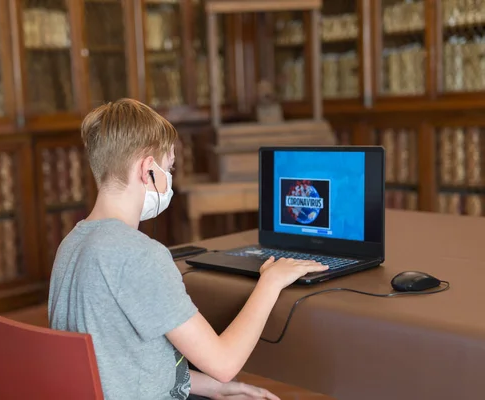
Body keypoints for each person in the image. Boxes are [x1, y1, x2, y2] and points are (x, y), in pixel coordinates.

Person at [48, 99, 328, 400]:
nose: (170, 181)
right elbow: (224, 363)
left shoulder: (71, 244)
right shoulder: (139, 255)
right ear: (147, 170)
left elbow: (116, 362)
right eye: (169, 168)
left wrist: (211, 387)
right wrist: (271, 281)